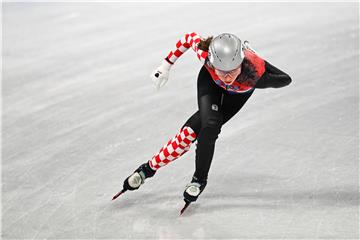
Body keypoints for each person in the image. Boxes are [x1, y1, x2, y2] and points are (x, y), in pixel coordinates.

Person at [117, 32, 292, 205]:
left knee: (206, 129)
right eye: (222, 71)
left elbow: (285, 79)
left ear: (240, 63)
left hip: (238, 94)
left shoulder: (255, 74)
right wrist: (165, 65)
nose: (228, 77)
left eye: (232, 71)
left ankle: (198, 179)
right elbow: (188, 38)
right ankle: (147, 170)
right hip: (210, 83)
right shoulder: (205, 55)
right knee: (203, 127)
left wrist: (256, 57)